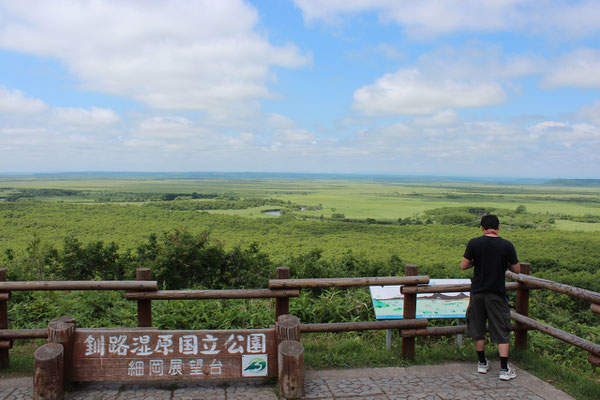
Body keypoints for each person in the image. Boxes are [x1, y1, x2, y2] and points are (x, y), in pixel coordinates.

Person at [461, 214, 520, 380]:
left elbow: (464, 265)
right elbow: (517, 269)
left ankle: (481, 363)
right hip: (496, 294)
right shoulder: (507, 245)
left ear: (482, 228)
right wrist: (504, 263)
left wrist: (475, 262)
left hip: (478, 293)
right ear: (498, 228)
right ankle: (504, 369)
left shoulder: (474, 243)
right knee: (502, 329)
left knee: (478, 328)